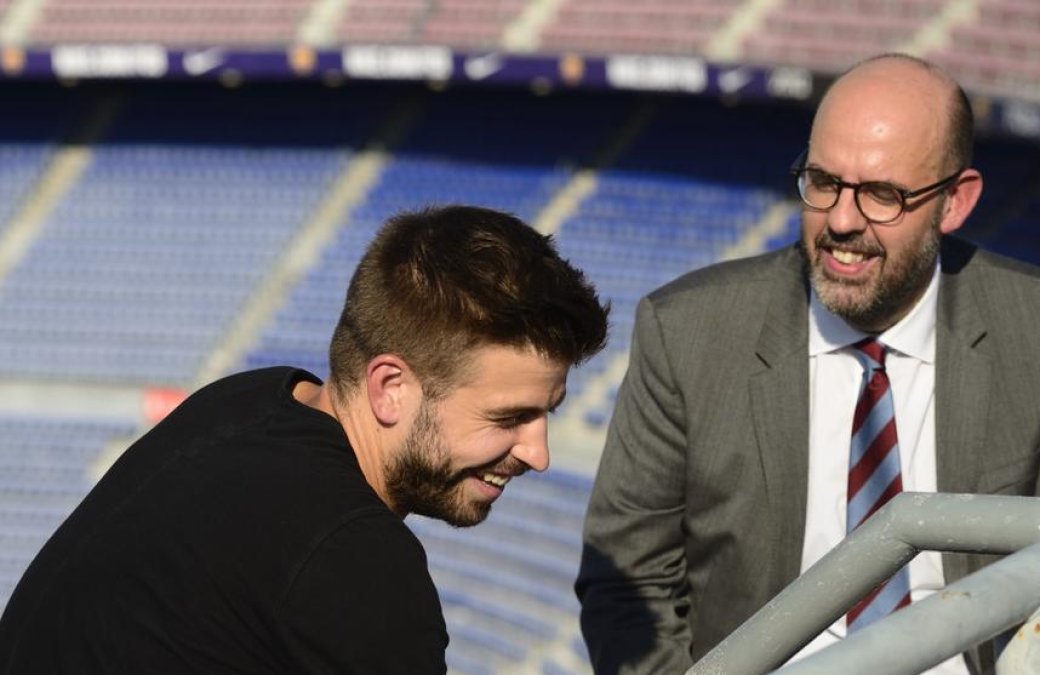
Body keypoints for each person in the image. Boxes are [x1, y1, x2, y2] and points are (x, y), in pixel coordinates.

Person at [576, 53, 1040, 675]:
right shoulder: (687, 331)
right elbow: (626, 582)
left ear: (955, 202)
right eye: (823, 182)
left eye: (883, 194)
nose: (841, 220)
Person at [0, 205, 609, 674]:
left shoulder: (249, 400)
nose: (539, 453)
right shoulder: (353, 559)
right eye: (509, 418)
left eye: (546, 414)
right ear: (391, 386)